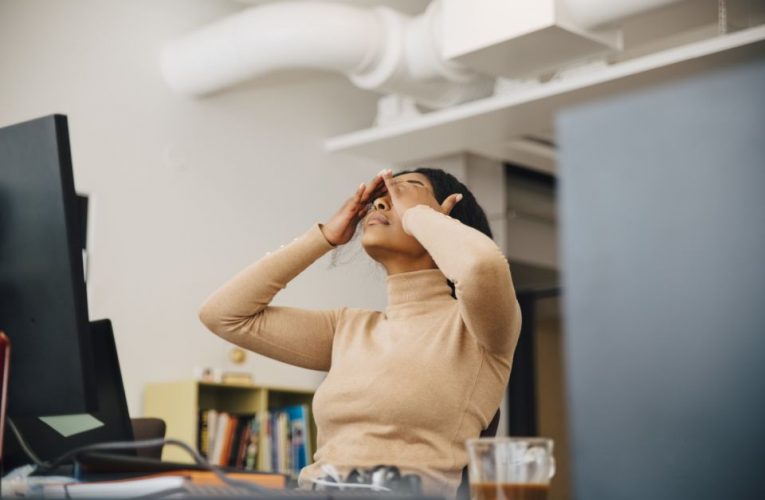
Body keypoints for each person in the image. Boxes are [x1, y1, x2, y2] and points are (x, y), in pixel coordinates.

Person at [199, 167, 521, 497]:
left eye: (403, 191)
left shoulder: (478, 328)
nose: (381, 203)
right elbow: (223, 315)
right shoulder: (348, 328)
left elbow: (482, 266)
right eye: (380, 197)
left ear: (446, 216)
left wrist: (419, 218)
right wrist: (323, 237)